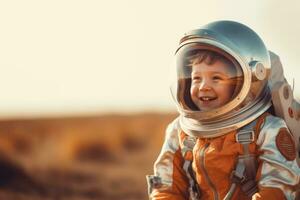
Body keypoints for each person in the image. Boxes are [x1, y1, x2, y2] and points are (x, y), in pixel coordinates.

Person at [146, 20, 300, 200]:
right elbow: (166, 187)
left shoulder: (266, 129)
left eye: (216, 78)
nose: (203, 86)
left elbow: (277, 187)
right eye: (196, 78)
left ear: (244, 82)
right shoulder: (180, 132)